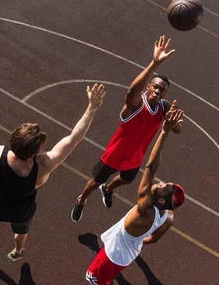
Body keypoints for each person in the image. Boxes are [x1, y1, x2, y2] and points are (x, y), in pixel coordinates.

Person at [0, 84, 107, 269]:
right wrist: (92, 107)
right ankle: (17, 252)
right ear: (34, 152)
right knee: (21, 232)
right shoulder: (44, 166)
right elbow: (74, 138)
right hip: (22, 210)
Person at [66, 103, 185, 285]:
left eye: (164, 187)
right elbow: (154, 239)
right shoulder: (168, 216)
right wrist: (136, 239)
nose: (161, 183)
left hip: (115, 253)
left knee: (97, 280)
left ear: (163, 200)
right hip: (129, 251)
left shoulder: (144, 208)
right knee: (110, 275)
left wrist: (164, 132)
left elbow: (150, 167)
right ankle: (109, 281)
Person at [71, 35, 181, 222]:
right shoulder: (137, 104)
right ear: (148, 87)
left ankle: (107, 189)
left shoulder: (163, 107)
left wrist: (172, 125)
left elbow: (176, 129)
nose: (157, 91)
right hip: (115, 154)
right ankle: (81, 199)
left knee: (126, 180)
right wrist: (154, 64)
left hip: (135, 157)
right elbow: (131, 92)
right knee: (95, 180)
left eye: (162, 90)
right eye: (155, 87)